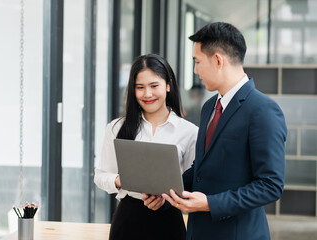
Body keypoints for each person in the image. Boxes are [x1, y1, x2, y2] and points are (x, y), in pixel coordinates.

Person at [162, 22, 287, 240]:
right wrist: (165, 191)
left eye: (197, 62)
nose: (195, 70)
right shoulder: (209, 107)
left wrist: (210, 204)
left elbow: (270, 185)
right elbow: (200, 170)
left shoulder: (263, 110)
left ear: (218, 60)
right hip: (198, 232)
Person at [94, 54, 198, 240]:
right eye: (140, 88)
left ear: (168, 85)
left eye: (154, 86)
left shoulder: (189, 132)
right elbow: (100, 176)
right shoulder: (117, 127)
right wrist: (123, 180)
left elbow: (191, 184)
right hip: (128, 219)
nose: (147, 94)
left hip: (169, 220)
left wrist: (168, 199)